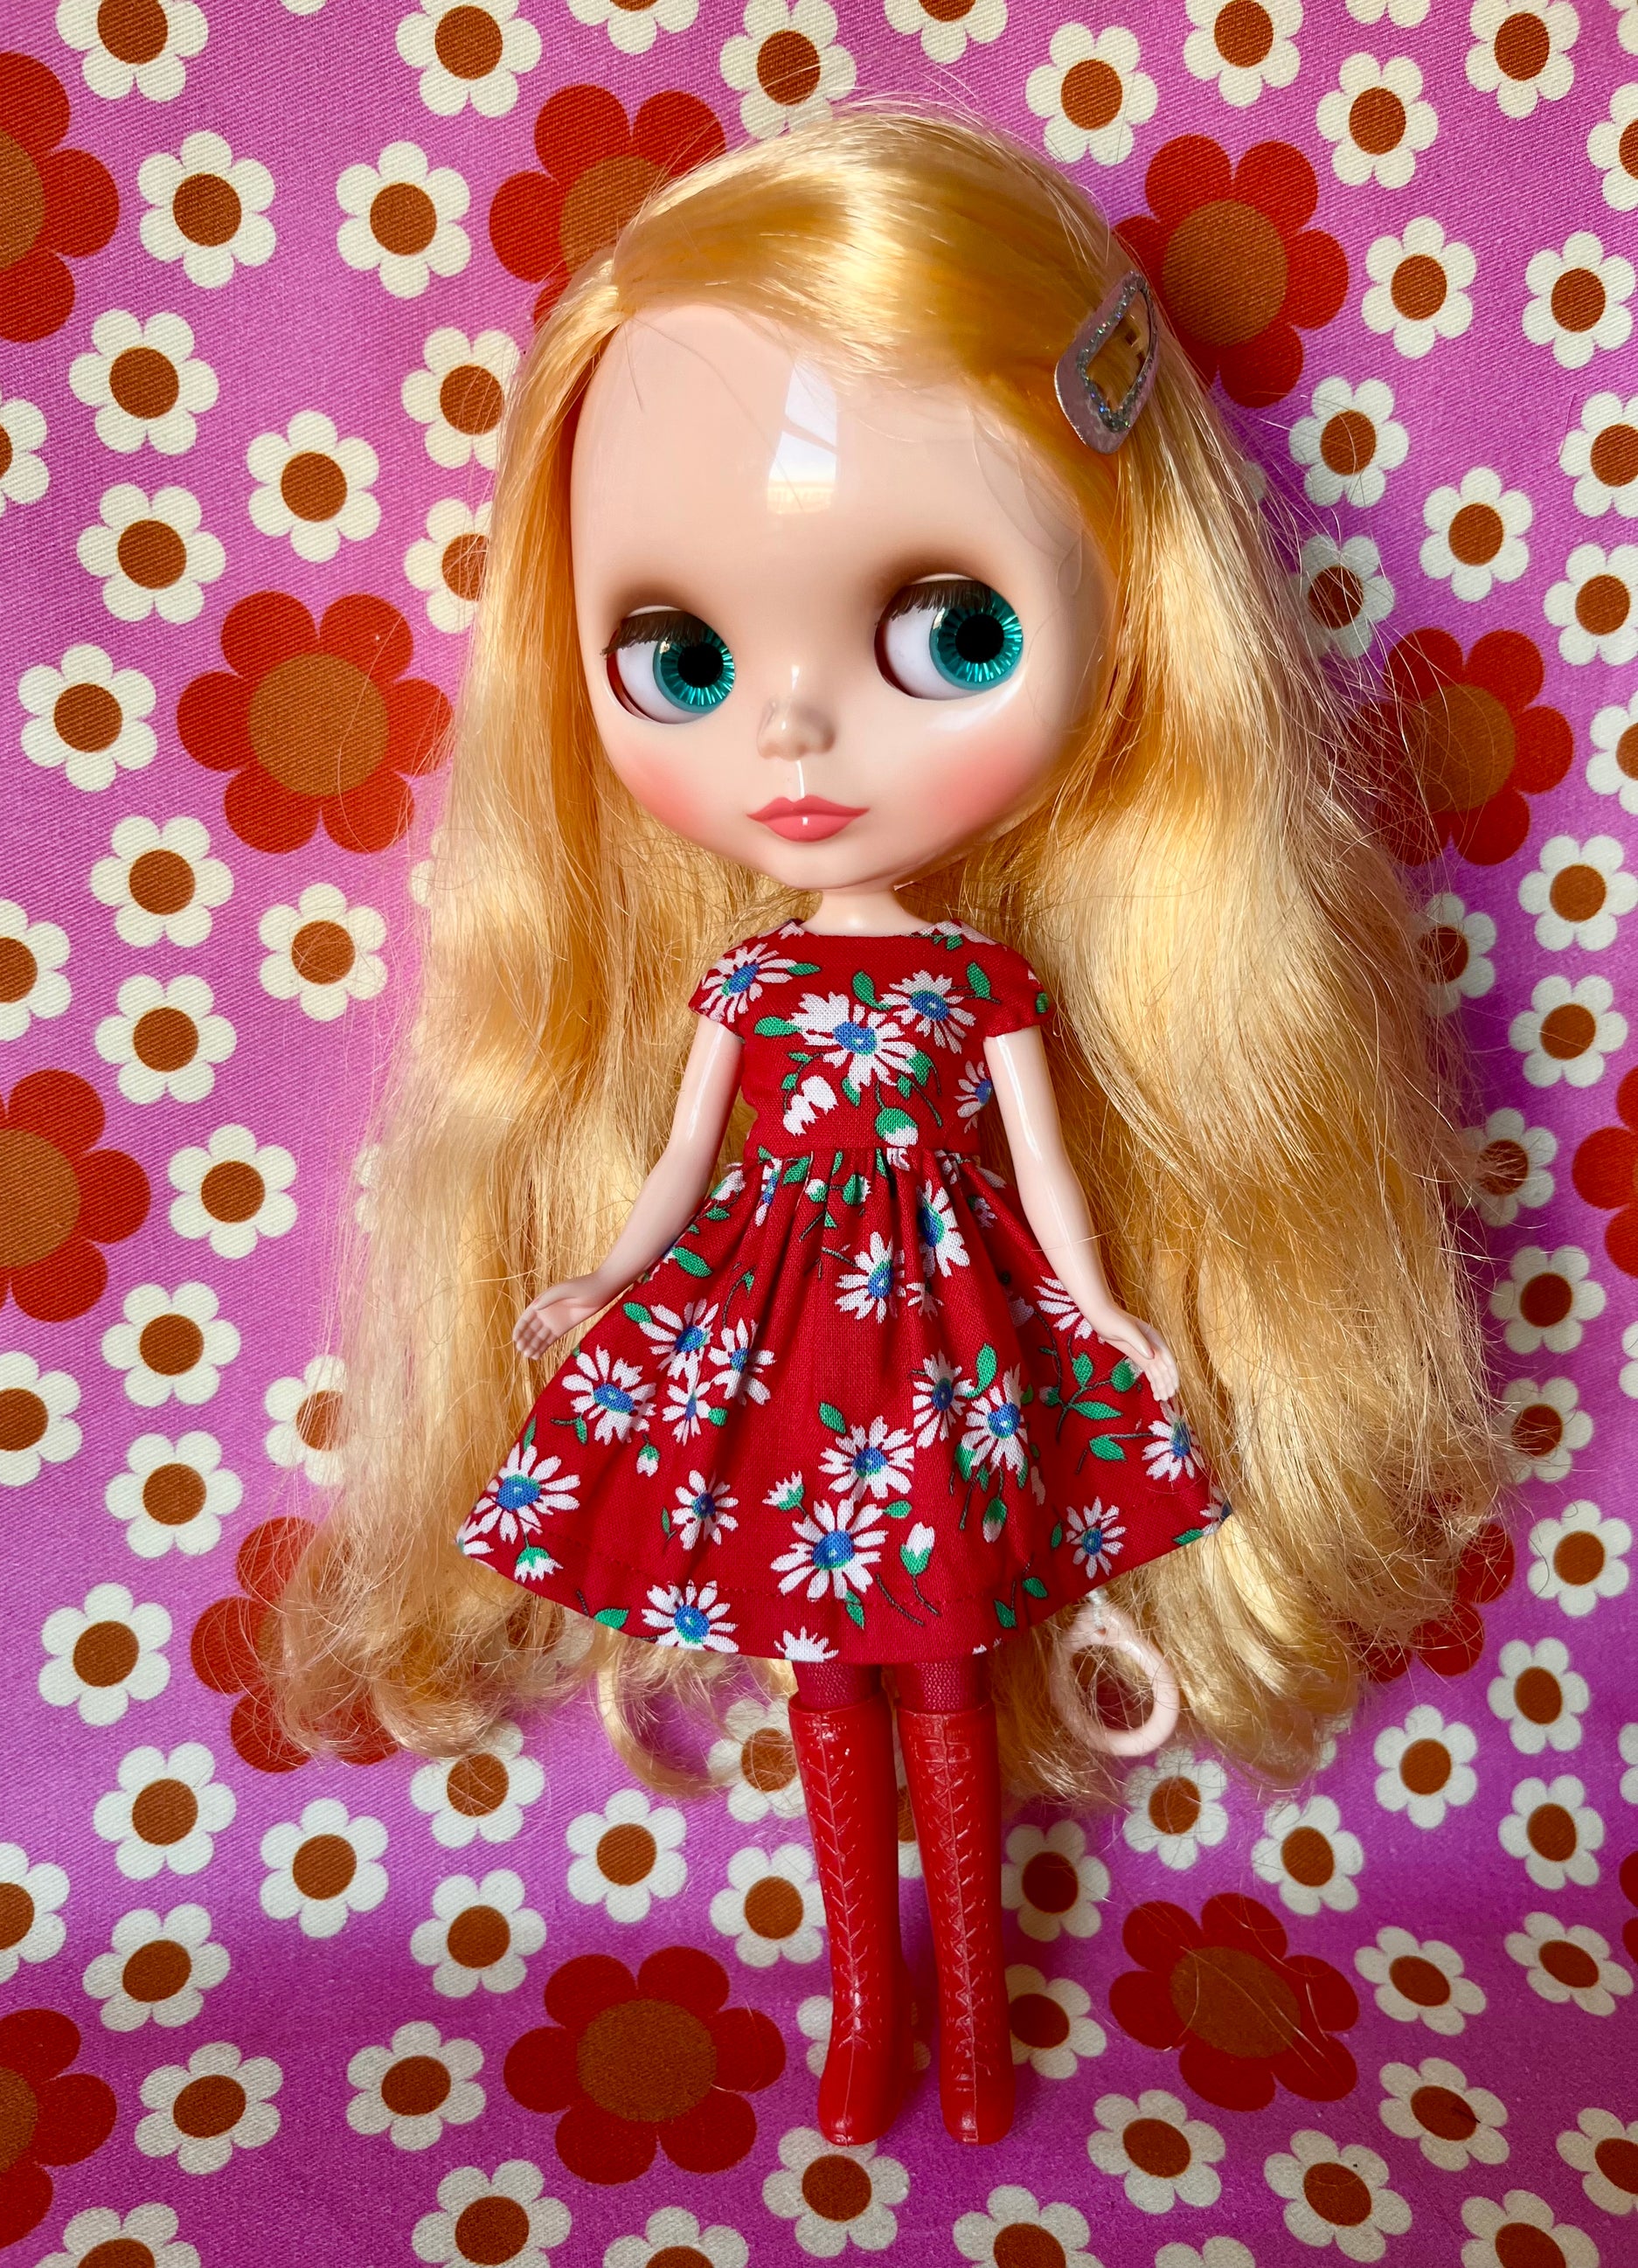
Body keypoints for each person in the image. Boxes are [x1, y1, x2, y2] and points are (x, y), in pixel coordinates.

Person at [266, 105, 1506, 2150]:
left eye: (947, 630)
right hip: (789, 1355)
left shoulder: (970, 986)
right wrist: (611, 1271)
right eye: (679, 656)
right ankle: (867, 2003)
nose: (794, 730)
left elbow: (1044, 1180)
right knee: (825, 1683)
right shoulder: (748, 984)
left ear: (1127, 606)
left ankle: (976, 2013)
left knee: (943, 1682)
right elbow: (684, 1163)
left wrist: (1100, 1315)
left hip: (941, 1353)